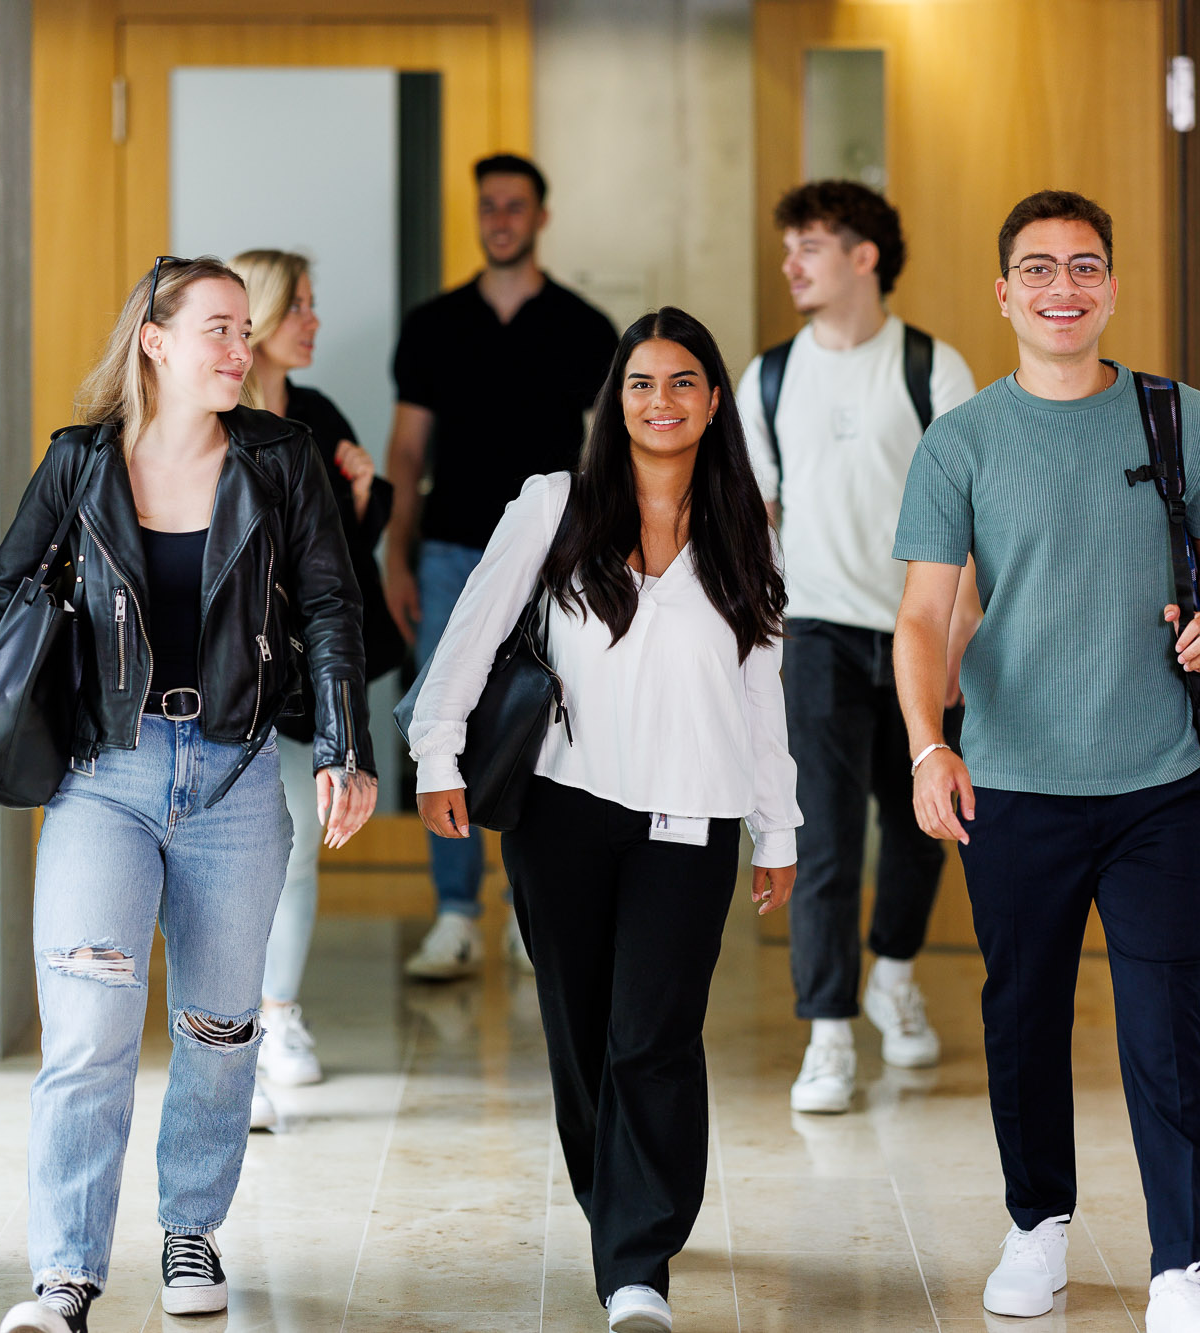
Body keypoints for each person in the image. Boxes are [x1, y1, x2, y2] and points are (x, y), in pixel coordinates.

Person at [0, 255, 378, 1333]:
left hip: (234, 775)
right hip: (103, 777)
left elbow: (329, 605)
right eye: (218, 328)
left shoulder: (280, 458)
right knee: (86, 1033)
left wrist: (342, 742)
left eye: (246, 330)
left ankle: (190, 1230)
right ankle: (64, 1276)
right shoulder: (79, 463)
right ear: (154, 342)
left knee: (218, 1028)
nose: (239, 348)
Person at [892, 191, 1200, 1333]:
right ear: (1004, 293)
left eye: (1085, 266)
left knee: (1165, 1022)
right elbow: (921, 617)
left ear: (1111, 286)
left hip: (1160, 779)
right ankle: (1037, 1225)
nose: (1064, 287)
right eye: (1039, 269)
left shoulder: (1177, 416)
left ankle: (1178, 1269)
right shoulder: (960, 440)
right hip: (1012, 780)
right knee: (1024, 1016)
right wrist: (928, 746)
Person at [406, 308, 800, 1333]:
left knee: (652, 1035)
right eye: (640, 382)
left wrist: (778, 826)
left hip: (693, 815)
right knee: (581, 1032)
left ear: (713, 401)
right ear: (614, 399)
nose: (661, 401)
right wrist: (437, 753)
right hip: (561, 808)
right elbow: (472, 632)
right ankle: (618, 1204)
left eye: (682, 382)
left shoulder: (746, 526)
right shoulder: (554, 505)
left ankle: (635, 1261)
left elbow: (761, 691)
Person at [738, 180, 980, 1116]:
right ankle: (829, 1032)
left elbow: (971, 514)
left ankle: (894, 973)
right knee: (827, 837)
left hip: (922, 629)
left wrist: (961, 632)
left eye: (809, 246)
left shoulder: (931, 368)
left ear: (863, 256)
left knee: (925, 824)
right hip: (815, 634)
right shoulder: (769, 377)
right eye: (789, 248)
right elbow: (757, 518)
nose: (791, 264)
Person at [384, 152, 620, 981]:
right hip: (451, 551)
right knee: (444, 724)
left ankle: (533, 905)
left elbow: (611, 452)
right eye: (489, 205)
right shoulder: (434, 324)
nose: (501, 219)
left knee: (550, 722)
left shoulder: (584, 326)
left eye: (515, 206)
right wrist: (396, 554)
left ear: (541, 217)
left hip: (559, 557)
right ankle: (455, 911)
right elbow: (406, 453)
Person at [230, 249, 404, 1114]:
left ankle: (279, 1014)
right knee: (229, 853)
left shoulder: (320, 413)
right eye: (298, 304)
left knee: (297, 843)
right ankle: (228, 1028)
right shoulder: (213, 416)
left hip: (305, 673)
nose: (313, 319)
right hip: (227, 672)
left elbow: (337, 559)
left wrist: (367, 496)